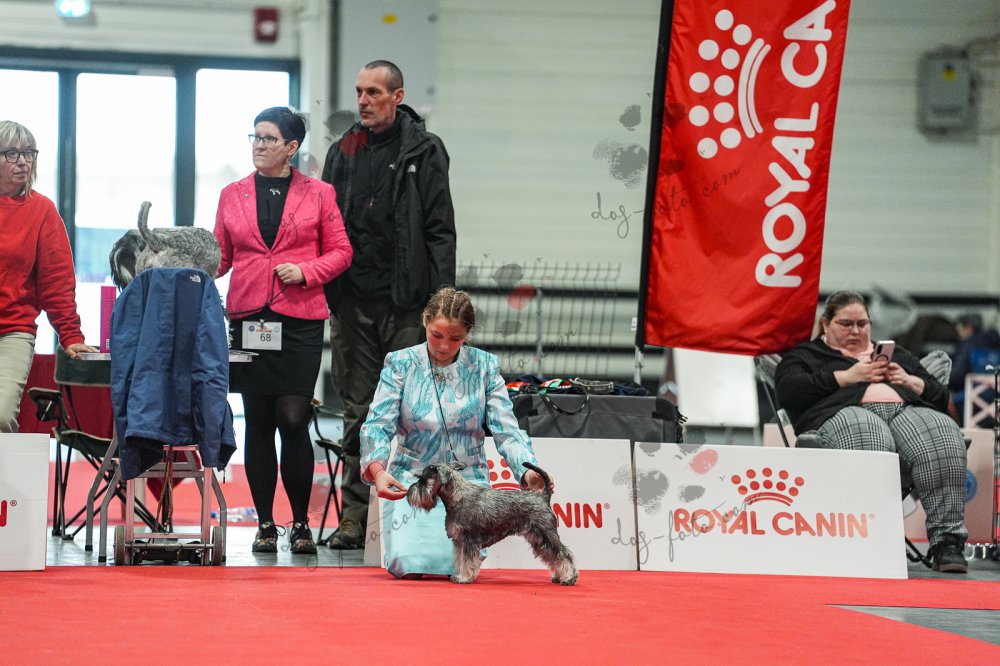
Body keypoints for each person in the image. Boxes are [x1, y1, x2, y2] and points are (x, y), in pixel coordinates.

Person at [321, 60, 456, 549]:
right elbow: (324, 226)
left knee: (412, 414)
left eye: (374, 92)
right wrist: (329, 292)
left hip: (407, 306)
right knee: (358, 412)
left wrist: (441, 305)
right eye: (359, 91)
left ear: (397, 97)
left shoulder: (425, 150)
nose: (363, 101)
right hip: (352, 304)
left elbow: (440, 230)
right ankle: (354, 519)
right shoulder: (342, 152)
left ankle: (412, 520)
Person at [214, 107, 353, 554]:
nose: (258, 145)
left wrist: (307, 271)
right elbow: (220, 257)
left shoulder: (320, 194)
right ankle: (265, 525)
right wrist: (183, 267)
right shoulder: (231, 194)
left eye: (269, 138)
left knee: (293, 418)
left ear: (291, 147)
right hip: (248, 317)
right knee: (257, 419)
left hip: (299, 319)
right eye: (255, 137)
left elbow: (341, 251)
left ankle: (301, 524)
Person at [775, 290, 969, 573]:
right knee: (868, 435)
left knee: (942, 435)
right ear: (826, 323)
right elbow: (789, 391)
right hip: (843, 412)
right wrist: (846, 377)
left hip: (906, 411)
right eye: (846, 324)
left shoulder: (896, 354)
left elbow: (939, 396)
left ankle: (947, 543)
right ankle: (868, 539)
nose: (855, 331)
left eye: (862, 324)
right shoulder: (807, 355)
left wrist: (910, 381)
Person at [360, 287, 549, 578]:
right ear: (425, 321)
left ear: (467, 334)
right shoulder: (400, 363)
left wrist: (527, 471)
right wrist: (377, 470)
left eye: (455, 338)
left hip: (470, 490)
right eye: (436, 335)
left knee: (457, 565)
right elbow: (377, 424)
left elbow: (507, 429)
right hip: (412, 482)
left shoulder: (484, 366)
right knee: (408, 564)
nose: (444, 346)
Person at [0, 120, 96, 433]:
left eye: (29, 153)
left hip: (12, 331)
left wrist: (71, 335)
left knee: (1, 415)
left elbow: (57, 283)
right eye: (12, 154)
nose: (23, 161)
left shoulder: (42, 211)